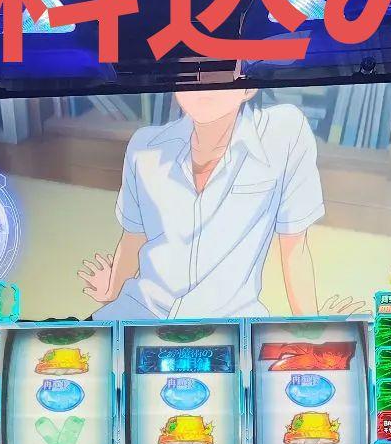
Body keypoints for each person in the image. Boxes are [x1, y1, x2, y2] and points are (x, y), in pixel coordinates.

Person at [81, 89, 324, 321]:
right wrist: (112, 292)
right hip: (140, 312)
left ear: (249, 87)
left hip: (230, 323)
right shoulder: (145, 145)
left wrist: (314, 330)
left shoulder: (284, 132)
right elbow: (134, 237)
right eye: (189, 70)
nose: (202, 84)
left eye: (219, 70)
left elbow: (295, 247)